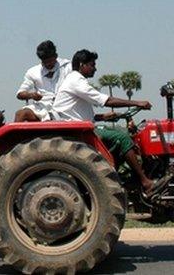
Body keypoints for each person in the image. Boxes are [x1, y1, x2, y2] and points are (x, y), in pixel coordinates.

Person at [51, 49, 164, 194]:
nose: (95, 68)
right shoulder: (76, 81)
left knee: (118, 138)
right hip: (80, 132)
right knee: (123, 138)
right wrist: (137, 103)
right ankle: (145, 182)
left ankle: (124, 178)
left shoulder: (74, 80)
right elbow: (107, 100)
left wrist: (103, 117)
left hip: (80, 127)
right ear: (82, 65)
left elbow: (75, 112)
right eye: (92, 65)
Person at [14, 40, 72, 122]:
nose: (48, 64)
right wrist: (31, 95)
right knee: (20, 114)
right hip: (41, 109)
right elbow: (20, 94)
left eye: (50, 61)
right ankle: (14, 135)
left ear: (56, 56)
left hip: (64, 108)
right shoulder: (33, 72)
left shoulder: (68, 67)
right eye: (45, 62)